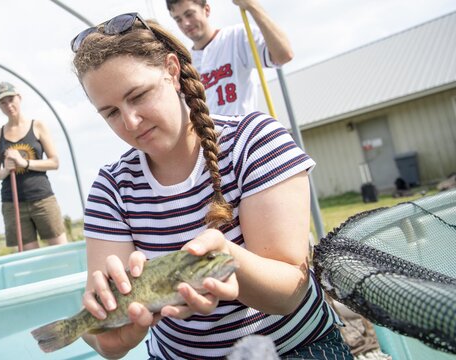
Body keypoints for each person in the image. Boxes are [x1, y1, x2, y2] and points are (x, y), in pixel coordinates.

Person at [71, 13, 351, 359]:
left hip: (293, 349)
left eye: (139, 96)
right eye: (111, 113)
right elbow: (99, 327)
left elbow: (288, 293)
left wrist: (227, 257)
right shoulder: (111, 189)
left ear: (172, 71)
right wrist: (110, 339)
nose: (130, 121)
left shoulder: (255, 142)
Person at [167, 0, 293, 115]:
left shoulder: (236, 37)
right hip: (211, 139)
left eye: (189, 14)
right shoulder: (184, 63)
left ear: (206, 9)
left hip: (245, 135)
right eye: (178, 19)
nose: (186, 23)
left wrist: (252, 5)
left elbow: (284, 55)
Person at [0, 81, 68, 251]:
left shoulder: (37, 126)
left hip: (42, 197)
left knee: (60, 250)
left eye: (11, 99)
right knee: (29, 258)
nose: (8, 105)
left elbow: (54, 162)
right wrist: (5, 170)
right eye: (3, 102)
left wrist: (24, 163)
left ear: (19, 98)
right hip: (13, 203)